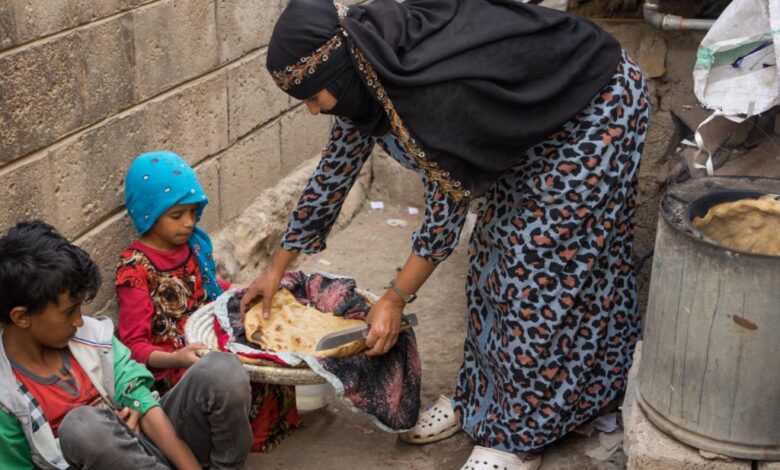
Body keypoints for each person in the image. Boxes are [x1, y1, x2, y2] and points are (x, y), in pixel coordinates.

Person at [244, 0, 650, 468]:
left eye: (314, 97)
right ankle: (478, 401)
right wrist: (275, 269)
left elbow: (444, 220)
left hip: (593, 110)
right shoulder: (369, 74)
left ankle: (519, 433)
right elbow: (332, 176)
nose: (315, 111)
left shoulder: (426, 92)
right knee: (491, 261)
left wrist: (395, 298)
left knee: (536, 267)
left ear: (337, 73)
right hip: (529, 128)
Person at [0, 220, 253, 469]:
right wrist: (104, 437)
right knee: (83, 428)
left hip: (154, 448)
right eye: (69, 312)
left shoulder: (92, 337)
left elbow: (143, 405)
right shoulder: (6, 396)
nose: (79, 320)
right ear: (21, 317)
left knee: (221, 370)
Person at [116, 151, 300, 451]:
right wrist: (176, 358)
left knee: (268, 355)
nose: (189, 223)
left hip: (208, 338)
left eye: (193, 212)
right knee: (232, 377)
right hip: (177, 363)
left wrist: (243, 289)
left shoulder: (192, 247)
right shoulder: (135, 270)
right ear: (148, 212)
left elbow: (210, 287)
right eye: (177, 215)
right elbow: (133, 347)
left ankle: (262, 434)